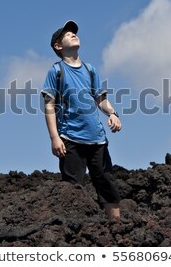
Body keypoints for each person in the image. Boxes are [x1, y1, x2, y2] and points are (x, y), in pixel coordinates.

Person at [41, 20, 122, 222]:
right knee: (72, 189)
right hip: (71, 139)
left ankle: (118, 229)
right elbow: (49, 105)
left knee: (107, 184)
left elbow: (100, 99)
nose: (73, 35)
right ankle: (73, 234)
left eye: (74, 33)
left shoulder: (90, 70)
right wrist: (54, 138)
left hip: (97, 139)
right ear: (58, 46)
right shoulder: (56, 71)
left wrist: (113, 113)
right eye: (67, 34)